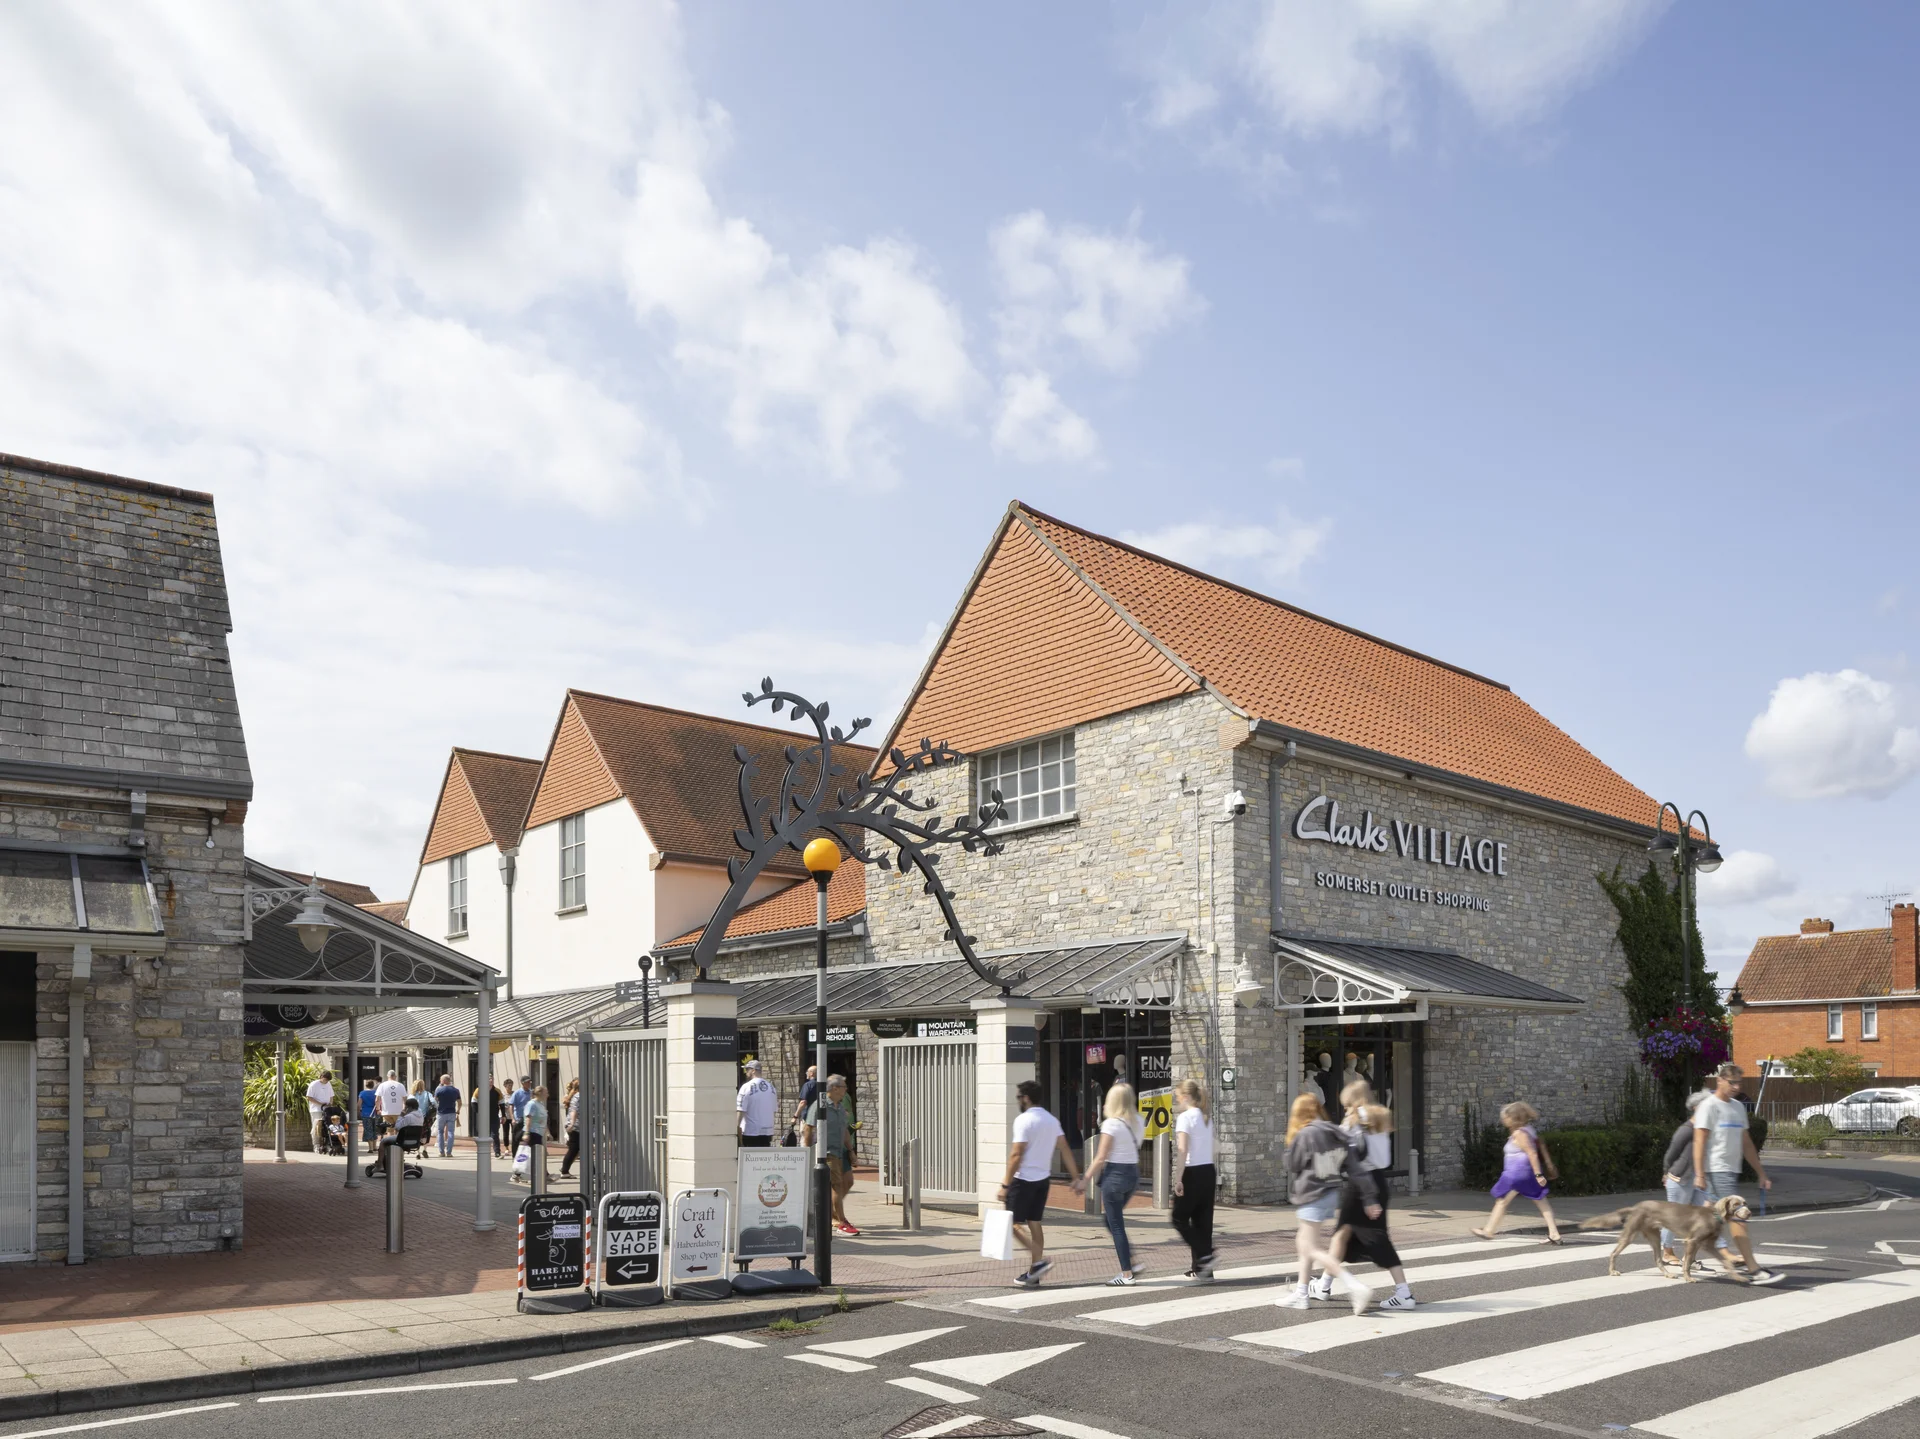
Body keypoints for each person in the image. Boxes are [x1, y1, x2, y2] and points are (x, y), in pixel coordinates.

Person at [1314, 1082, 1416, 1310]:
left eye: (1346, 1104)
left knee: (1372, 1237)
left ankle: (1404, 1293)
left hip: (1360, 1182)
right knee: (1342, 1233)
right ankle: (1324, 1284)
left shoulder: (1354, 1120)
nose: (1345, 1108)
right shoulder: (1380, 1116)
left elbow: (1341, 1149)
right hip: (1379, 1180)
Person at [1277, 1092, 1375, 1314]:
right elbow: (1355, 1167)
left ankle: (1354, 1285)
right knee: (1303, 1244)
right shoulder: (1335, 1132)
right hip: (1330, 1192)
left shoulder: (1306, 1133)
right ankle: (1302, 1293)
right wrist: (1369, 1196)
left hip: (1312, 1193)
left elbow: (1293, 1164)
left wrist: (1289, 1147)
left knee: (1310, 1247)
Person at [1692, 1063, 1780, 1283]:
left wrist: (1761, 1172)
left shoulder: (1738, 1107)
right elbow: (1699, 1141)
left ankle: (1691, 1247)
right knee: (1737, 1215)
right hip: (1717, 1169)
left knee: (1711, 1217)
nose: (1736, 1087)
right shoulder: (1708, 1106)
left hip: (1731, 1170)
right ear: (1720, 1080)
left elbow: (1746, 1143)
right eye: (1732, 1082)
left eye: (1739, 1083)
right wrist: (1700, 1174)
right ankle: (1753, 1268)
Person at [997, 1079, 1085, 1287]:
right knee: (1034, 1222)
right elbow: (1064, 1148)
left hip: (1022, 1179)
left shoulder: (1024, 1120)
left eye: (1019, 1097)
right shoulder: (1051, 1120)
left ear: (1026, 1098)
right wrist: (1075, 1177)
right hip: (1042, 1180)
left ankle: (1039, 1261)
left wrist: (1005, 1185)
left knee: (1012, 1223)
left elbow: (1016, 1154)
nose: (1019, 1101)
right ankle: (1034, 1272)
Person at [1472, 1101, 1563, 1243]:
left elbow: (1532, 1153)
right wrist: (1545, 1167)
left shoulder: (1520, 1134)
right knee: (1541, 1201)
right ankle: (1554, 1233)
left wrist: (1539, 1174)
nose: (1503, 1120)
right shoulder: (1528, 1130)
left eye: (1506, 1116)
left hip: (1516, 1175)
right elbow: (1541, 1146)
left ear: (1514, 1117)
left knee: (1501, 1201)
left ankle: (1489, 1231)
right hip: (1526, 1174)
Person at [1085, 1081, 1145, 1285]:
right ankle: (1132, 1262)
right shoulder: (1138, 1120)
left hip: (1115, 1175)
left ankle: (1127, 1273)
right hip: (1132, 1175)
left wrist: (1085, 1179)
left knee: (1116, 1225)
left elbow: (1101, 1157)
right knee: (1110, 1220)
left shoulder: (1111, 1124)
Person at [1170, 1078, 1217, 1282]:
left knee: (1178, 1218)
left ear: (1186, 1097)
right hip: (1209, 1171)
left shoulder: (1185, 1118)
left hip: (1192, 1172)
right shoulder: (1206, 1118)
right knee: (1202, 1221)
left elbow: (1182, 1150)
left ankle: (1206, 1255)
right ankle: (1202, 1269)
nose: (1177, 1100)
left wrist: (1178, 1178)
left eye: (1178, 1097)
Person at [1659, 1089, 1712, 1268]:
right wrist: (1666, 1173)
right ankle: (1667, 1252)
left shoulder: (1705, 1129)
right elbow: (1671, 1153)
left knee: (1700, 1217)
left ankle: (1689, 1256)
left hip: (1698, 1179)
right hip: (1679, 1178)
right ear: (1697, 1107)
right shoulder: (1686, 1129)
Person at [805, 1074, 861, 1235]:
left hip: (840, 1151)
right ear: (835, 1088)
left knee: (848, 1181)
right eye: (844, 1086)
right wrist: (809, 1152)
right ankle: (841, 1221)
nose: (846, 1090)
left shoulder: (839, 1106)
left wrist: (850, 1151)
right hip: (827, 1152)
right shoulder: (820, 1106)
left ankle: (830, 1212)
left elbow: (844, 1130)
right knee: (836, 1185)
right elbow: (808, 1128)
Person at [737, 1059, 777, 1146]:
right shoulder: (771, 1087)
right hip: (767, 1131)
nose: (746, 1072)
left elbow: (740, 1109)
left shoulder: (746, 1087)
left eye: (747, 1069)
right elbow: (773, 1110)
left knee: (751, 1158)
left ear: (753, 1070)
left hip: (750, 1132)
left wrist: (737, 1127)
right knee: (764, 1157)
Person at [433, 1073, 462, 1159]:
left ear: (444, 1081)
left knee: (440, 1132)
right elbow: (459, 1102)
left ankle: (441, 1152)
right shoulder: (456, 1090)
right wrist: (458, 1111)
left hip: (441, 1113)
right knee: (450, 1132)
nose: (440, 1081)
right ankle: (449, 1152)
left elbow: (435, 1101)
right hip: (452, 1113)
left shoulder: (439, 1090)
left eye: (441, 1080)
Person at [375, 1069, 408, 1144]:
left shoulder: (382, 1085)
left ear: (388, 1076)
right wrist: (404, 1109)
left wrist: (378, 1109)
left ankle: (390, 1145)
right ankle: (399, 1144)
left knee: (389, 1130)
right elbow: (405, 1099)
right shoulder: (400, 1085)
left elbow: (377, 1099)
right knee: (399, 1129)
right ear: (395, 1076)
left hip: (386, 1111)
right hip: (398, 1111)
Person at [304, 1069, 334, 1153]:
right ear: (321, 1077)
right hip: (316, 1109)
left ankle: (326, 1144)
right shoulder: (314, 1084)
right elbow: (309, 1097)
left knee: (327, 1127)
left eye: (328, 1080)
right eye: (325, 1079)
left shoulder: (328, 1084)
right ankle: (316, 1145)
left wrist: (331, 1103)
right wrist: (320, 1103)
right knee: (316, 1128)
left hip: (326, 1109)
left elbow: (331, 1095)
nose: (326, 1081)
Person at [558, 1078, 583, 1177]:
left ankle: (565, 1170)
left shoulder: (577, 1096)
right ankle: (564, 1170)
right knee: (574, 1149)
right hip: (576, 1127)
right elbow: (574, 1111)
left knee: (578, 1149)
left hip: (578, 1126)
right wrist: (572, 1124)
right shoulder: (578, 1097)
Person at [792, 1064, 819, 1140]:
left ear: (811, 1073)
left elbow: (803, 1102)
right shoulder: (824, 1085)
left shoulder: (808, 1085)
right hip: (820, 1120)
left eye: (807, 1072)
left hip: (808, 1119)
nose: (806, 1073)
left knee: (806, 1144)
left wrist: (795, 1117)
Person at [510, 1076, 532, 1156]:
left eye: (530, 1082)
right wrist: (512, 1118)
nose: (529, 1083)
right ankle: (514, 1155)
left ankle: (527, 1156)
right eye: (527, 1082)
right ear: (522, 1083)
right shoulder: (517, 1093)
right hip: (519, 1118)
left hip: (528, 1119)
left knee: (528, 1137)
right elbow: (511, 1105)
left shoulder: (531, 1093)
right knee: (516, 1138)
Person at [487, 1080, 505, 1158]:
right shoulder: (479, 1090)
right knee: (483, 1135)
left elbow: (502, 1103)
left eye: (492, 1079)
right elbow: (474, 1101)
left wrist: (503, 1115)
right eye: (489, 1078)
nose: (490, 1080)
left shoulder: (497, 1091)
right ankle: (484, 1151)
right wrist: (478, 1112)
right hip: (483, 1117)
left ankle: (497, 1152)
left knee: (495, 1134)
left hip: (494, 1116)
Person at [358, 1078, 378, 1148]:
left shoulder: (362, 1093)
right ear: (373, 1085)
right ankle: (375, 1146)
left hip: (366, 1113)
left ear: (366, 1085)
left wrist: (358, 1112)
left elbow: (359, 1104)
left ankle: (371, 1148)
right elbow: (378, 1102)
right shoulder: (376, 1093)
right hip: (375, 1112)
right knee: (374, 1129)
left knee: (368, 1129)